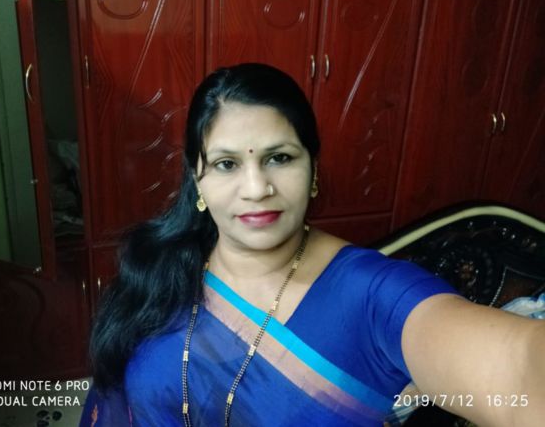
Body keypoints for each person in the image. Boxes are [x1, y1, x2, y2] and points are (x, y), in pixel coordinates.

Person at [80, 63, 544, 426]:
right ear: (197, 180)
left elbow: (519, 371)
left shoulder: (374, 294)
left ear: (313, 170)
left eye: (280, 158)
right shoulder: (161, 267)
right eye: (226, 164)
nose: (256, 188)